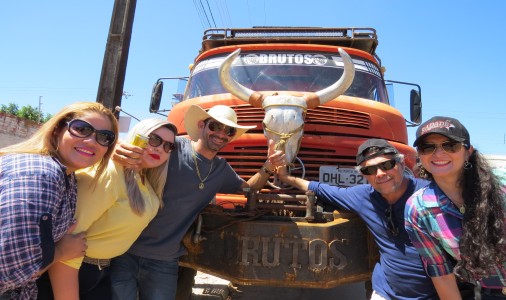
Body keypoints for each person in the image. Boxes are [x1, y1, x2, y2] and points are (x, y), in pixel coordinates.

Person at [109, 104, 286, 300]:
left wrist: (268, 166)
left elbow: (248, 189)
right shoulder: (172, 146)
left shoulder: (221, 169)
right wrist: (117, 148)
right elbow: (135, 150)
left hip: (164, 259)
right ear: (202, 124)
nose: (221, 134)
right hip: (125, 250)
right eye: (215, 126)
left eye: (228, 131)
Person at [277, 138, 438, 300]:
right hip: (386, 293)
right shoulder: (363, 197)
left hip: (434, 293)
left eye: (387, 165)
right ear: (363, 175)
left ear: (401, 164)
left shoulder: (429, 194)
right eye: (370, 170)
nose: (380, 173)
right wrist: (286, 177)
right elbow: (321, 189)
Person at [36, 118, 177, 300]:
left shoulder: (144, 180)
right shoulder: (111, 172)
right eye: (154, 139)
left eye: (168, 146)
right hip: (74, 270)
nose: (160, 148)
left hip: (101, 271)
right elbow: (70, 240)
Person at [0, 102, 118, 299]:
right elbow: (7, 270)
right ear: (57, 130)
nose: (92, 141)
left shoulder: (66, 175)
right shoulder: (42, 173)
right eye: (81, 129)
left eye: (104, 137)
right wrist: (62, 251)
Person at [405, 116, 506, 299]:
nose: (438, 153)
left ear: (468, 152)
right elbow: (441, 273)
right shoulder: (418, 209)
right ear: (420, 155)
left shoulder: (502, 186)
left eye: (450, 145)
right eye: (428, 147)